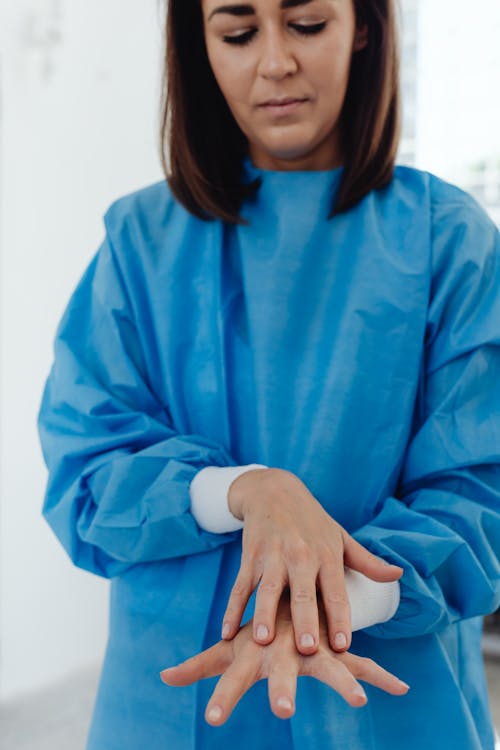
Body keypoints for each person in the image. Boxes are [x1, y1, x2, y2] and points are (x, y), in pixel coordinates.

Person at [36, 0, 500, 747]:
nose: (275, 62)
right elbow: (89, 470)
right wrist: (248, 491)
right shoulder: (139, 242)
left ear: (366, 30)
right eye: (238, 32)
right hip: (176, 687)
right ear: (199, 47)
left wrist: (322, 606)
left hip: (381, 696)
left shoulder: (449, 241)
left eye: (308, 24)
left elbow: (481, 493)